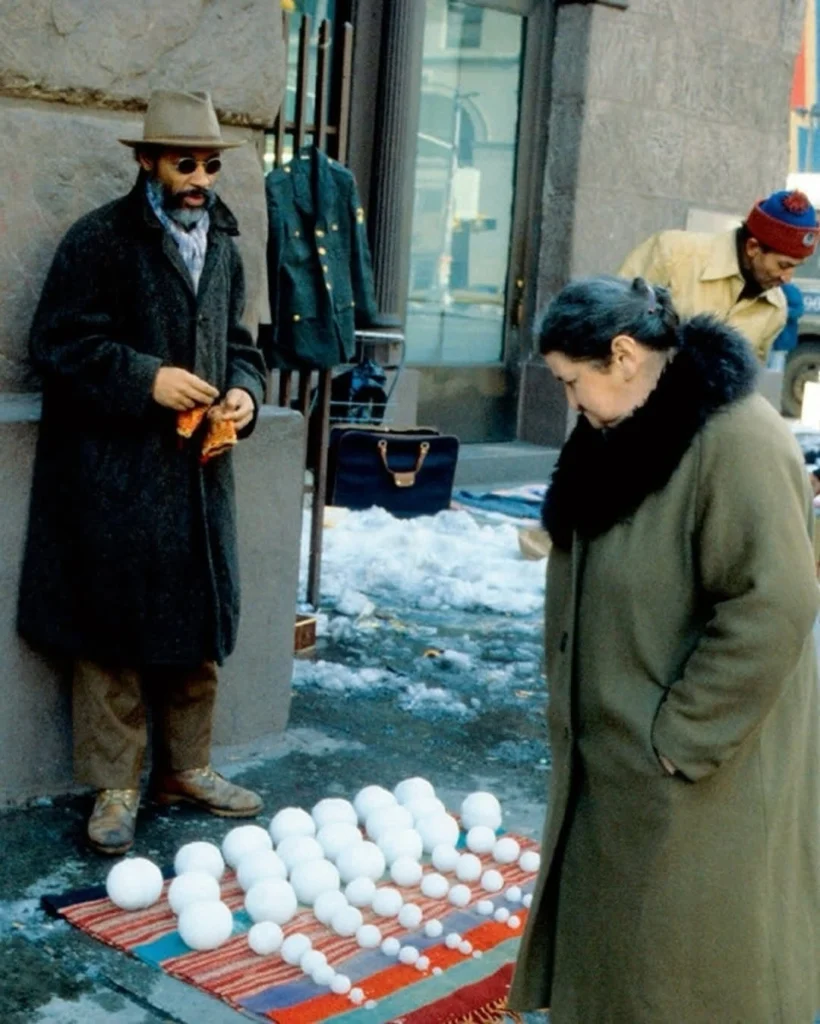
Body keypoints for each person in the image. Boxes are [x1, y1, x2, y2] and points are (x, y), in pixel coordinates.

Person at [507, 276, 820, 1023]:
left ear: (622, 354)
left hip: (696, 769)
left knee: (685, 967)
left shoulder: (736, 440)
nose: (569, 402)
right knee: (624, 955)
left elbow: (773, 603)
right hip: (626, 755)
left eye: (571, 382)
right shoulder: (622, 423)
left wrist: (678, 739)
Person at [17, 90, 268, 855]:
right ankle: (115, 786)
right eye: (184, 163)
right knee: (112, 638)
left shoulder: (222, 242)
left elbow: (245, 344)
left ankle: (186, 768)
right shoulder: (99, 239)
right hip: (113, 478)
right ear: (147, 162)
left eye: (211, 165)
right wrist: (146, 379)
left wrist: (245, 398)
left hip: (196, 476)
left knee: (195, 635)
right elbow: (58, 343)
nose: (200, 179)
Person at [618, 189, 818, 363]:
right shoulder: (673, 254)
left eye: (796, 267)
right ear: (753, 247)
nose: (787, 278)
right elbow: (613, 320)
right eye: (783, 265)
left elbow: (745, 378)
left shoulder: (776, 309)